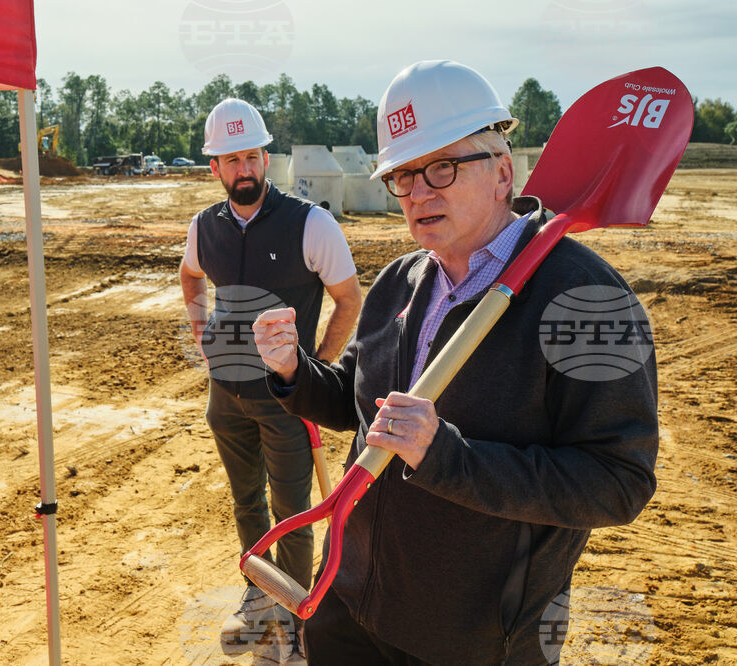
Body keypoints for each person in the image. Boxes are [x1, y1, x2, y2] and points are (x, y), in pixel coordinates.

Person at [253, 60, 658, 665]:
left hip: (475, 637)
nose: (418, 193)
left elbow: (616, 483)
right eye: (403, 175)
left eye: (441, 167)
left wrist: (447, 457)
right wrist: (292, 370)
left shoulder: (587, 299)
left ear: (502, 172)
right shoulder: (402, 279)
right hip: (351, 600)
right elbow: (361, 408)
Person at [179, 98, 362, 658]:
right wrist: (200, 331)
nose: (244, 169)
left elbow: (349, 300)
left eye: (253, 156)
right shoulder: (204, 227)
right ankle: (260, 598)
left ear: (267, 157)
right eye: (231, 160)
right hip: (225, 400)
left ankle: (300, 620)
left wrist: (319, 371)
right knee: (245, 504)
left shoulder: (311, 222)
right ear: (215, 168)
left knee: (294, 512)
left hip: (286, 404)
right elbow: (190, 278)